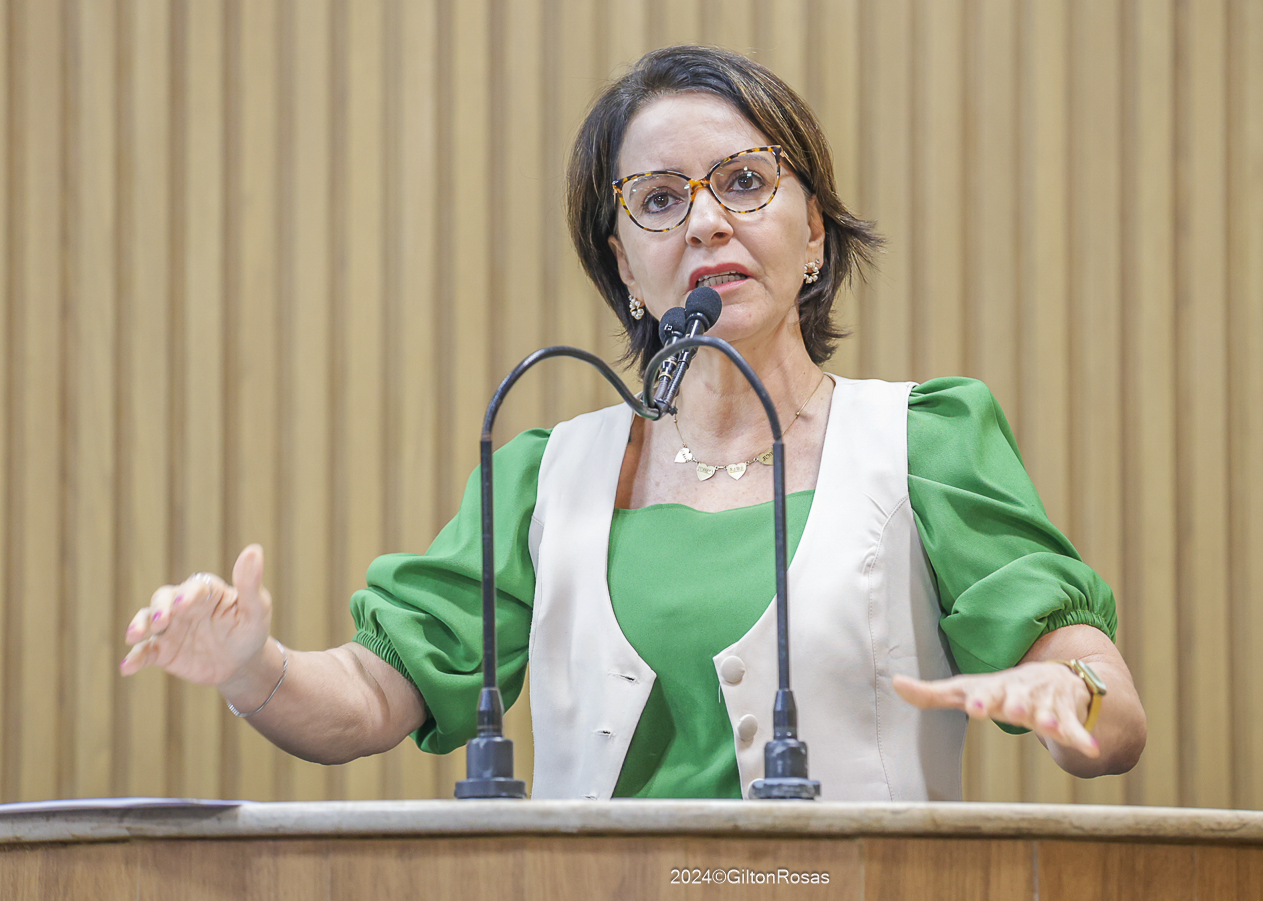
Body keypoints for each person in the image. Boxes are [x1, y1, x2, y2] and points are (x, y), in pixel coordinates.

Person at [120, 45, 1146, 800]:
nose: (706, 221)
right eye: (659, 199)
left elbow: (1105, 703)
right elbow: (370, 697)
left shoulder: (926, 441)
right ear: (625, 267)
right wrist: (251, 666)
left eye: (745, 182)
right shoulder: (545, 478)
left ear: (815, 235)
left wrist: (1075, 703)